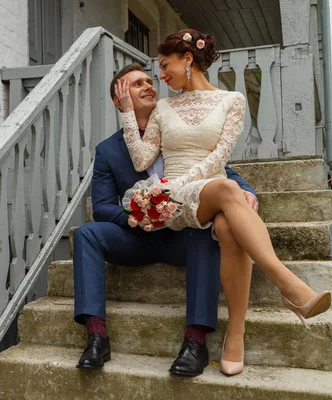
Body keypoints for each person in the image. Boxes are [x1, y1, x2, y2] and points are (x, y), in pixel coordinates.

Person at [115, 28, 331, 376]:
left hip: (205, 187)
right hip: (178, 203)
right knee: (230, 191)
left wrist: (179, 184)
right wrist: (128, 113)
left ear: (188, 59)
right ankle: (289, 286)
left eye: (165, 64)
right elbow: (142, 160)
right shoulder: (163, 108)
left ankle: (236, 335)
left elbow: (219, 157)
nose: (161, 74)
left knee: (230, 226)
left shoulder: (232, 100)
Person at [73, 63, 257, 377]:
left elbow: (219, 170)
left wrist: (245, 190)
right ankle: (96, 335)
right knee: (85, 234)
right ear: (120, 100)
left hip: (180, 237)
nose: (148, 86)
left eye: (149, 81)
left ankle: (196, 341)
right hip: (136, 236)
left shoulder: (177, 130)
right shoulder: (107, 150)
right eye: (136, 84)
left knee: (206, 231)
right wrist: (134, 218)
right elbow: (102, 206)